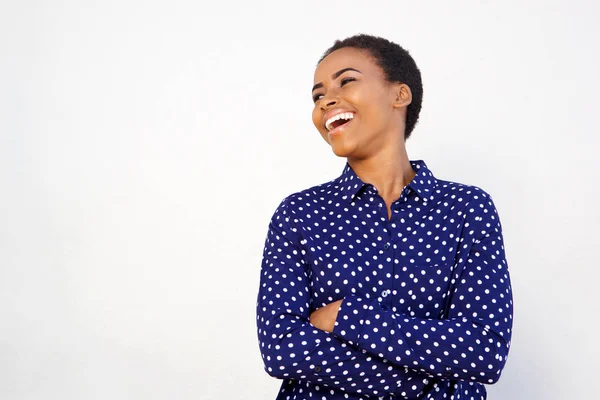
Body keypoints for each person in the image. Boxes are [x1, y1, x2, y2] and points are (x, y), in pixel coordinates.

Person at [256, 34, 513, 400]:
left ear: (399, 95)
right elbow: (283, 349)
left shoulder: (466, 209)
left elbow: (485, 351)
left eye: (346, 81)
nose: (326, 100)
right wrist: (435, 381)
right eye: (317, 96)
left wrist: (347, 316)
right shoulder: (299, 215)